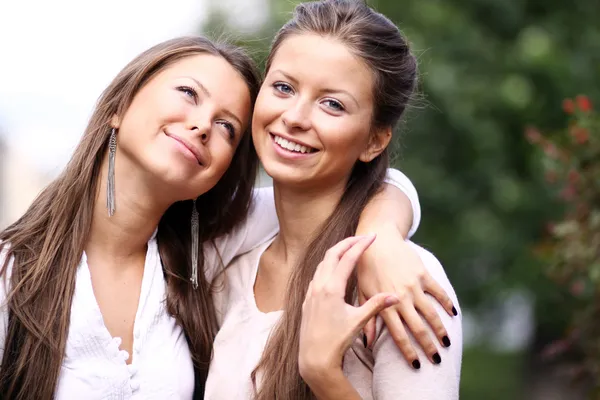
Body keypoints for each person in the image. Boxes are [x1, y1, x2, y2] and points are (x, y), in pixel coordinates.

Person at [0, 35, 455, 399]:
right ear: (120, 104)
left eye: (227, 127)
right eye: (187, 93)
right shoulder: (13, 275)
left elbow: (376, 186)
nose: (201, 125)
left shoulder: (209, 251)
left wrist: (382, 237)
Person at [205, 1, 462, 399]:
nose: (295, 117)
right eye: (284, 87)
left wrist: (324, 375)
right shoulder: (229, 265)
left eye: (333, 104)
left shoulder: (400, 281)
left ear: (374, 140)